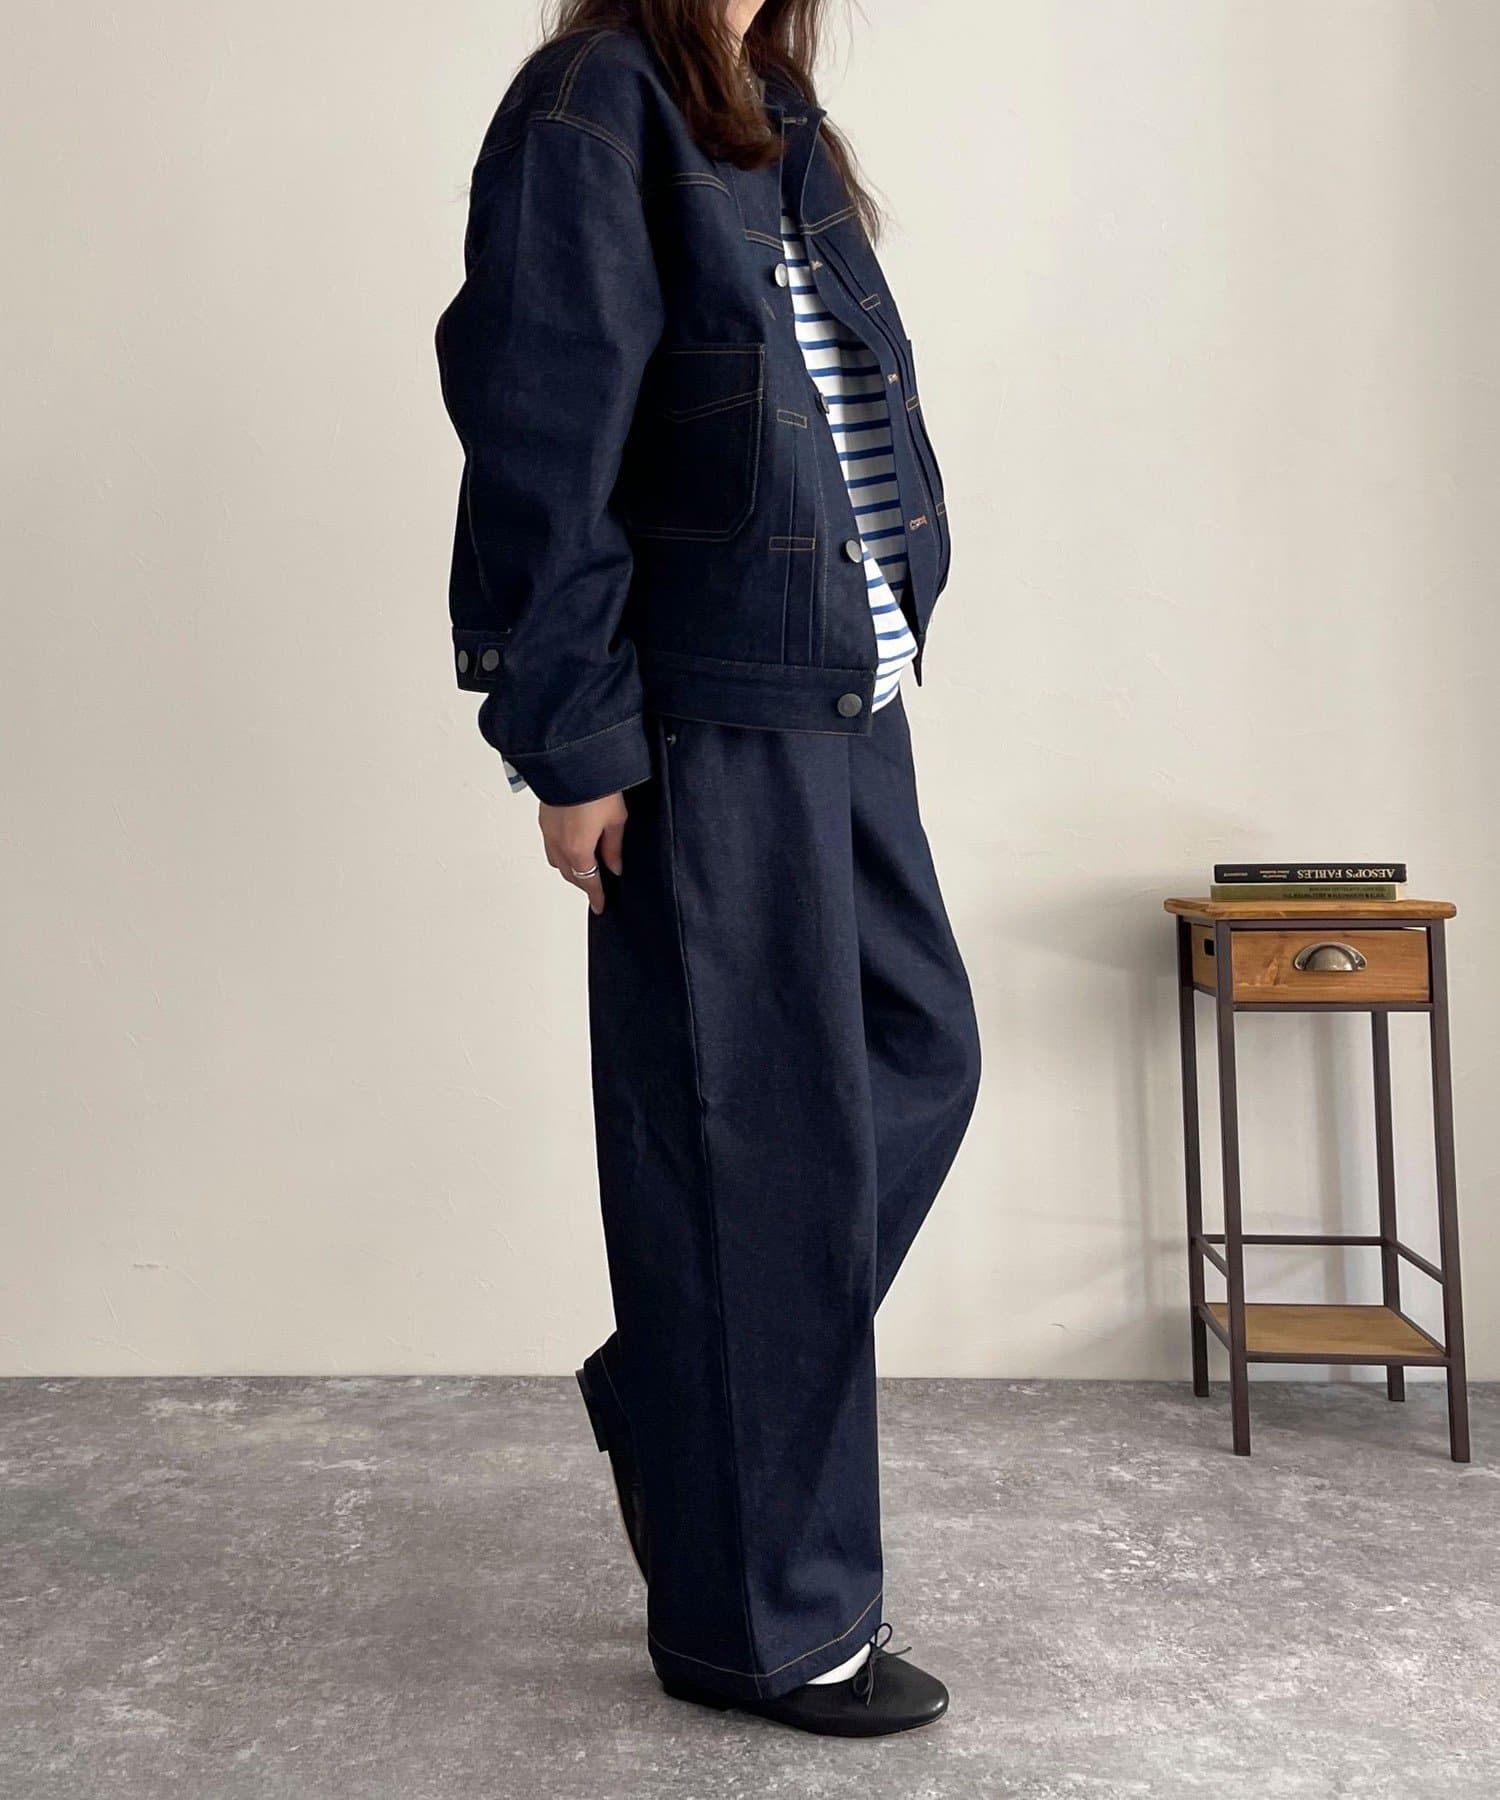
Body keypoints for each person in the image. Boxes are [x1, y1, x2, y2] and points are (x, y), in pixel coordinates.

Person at [436, 0, 980, 1738]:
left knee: (916, 1060)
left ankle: (682, 1396)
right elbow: (544, 429)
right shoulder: (593, 104)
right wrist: (573, 737)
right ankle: (770, 1634)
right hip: (708, 704)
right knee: (758, 1141)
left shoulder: (766, 100)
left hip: (838, 683)